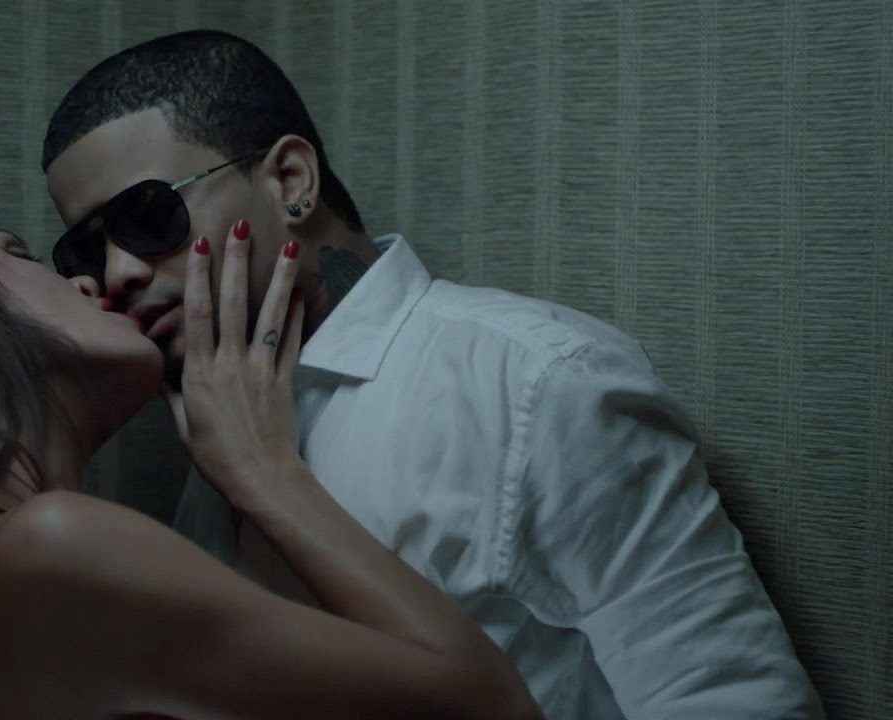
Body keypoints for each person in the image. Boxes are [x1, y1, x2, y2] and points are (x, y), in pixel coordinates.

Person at [41, 29, 825, 719]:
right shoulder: (220, 408)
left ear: (291, 181)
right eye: (86, 248)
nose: (118, 273)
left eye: (149, 217)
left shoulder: (533, 384)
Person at [0, 209, 541, 719]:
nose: (98, 281)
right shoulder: (47, 550)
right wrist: (265, 469)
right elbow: (493, 708)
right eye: (22, 253)